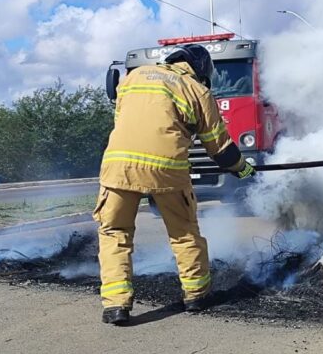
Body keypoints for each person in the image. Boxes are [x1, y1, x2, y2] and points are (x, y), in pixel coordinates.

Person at [95, 44, 256, 326]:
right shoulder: (197, 90)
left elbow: (125, 123)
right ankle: (196, 295)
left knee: (115, 232)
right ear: (201, 69)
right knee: (184, 234)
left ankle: (116, 305)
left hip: (118, 168)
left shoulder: (134, 78)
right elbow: (220, 148)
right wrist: (242, 170)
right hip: (167, 170)